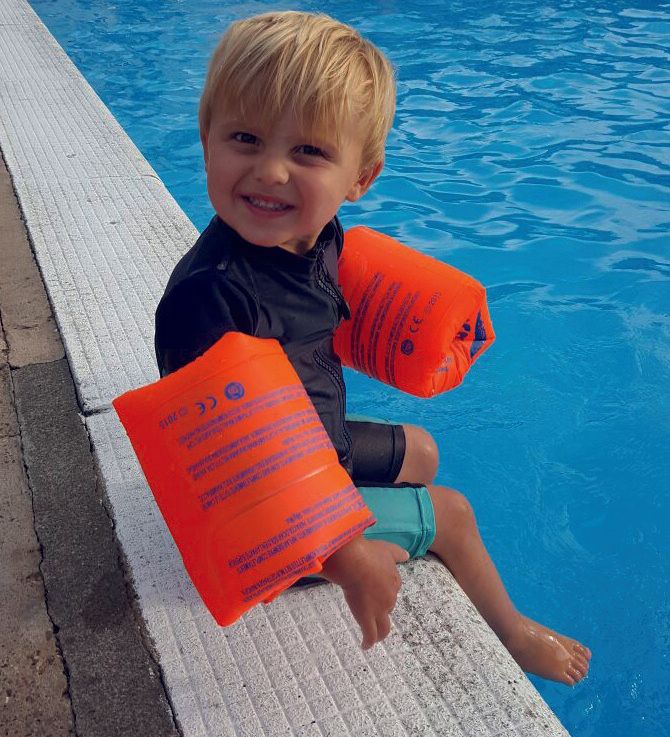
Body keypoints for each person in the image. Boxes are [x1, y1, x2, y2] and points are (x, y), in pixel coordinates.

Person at [154, 10, 591, 686]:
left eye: (308, 153)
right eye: (245, 138)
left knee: (423, 448)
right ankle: (514, 631)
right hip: (269, 518)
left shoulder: (318, 239)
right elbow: (232, 478)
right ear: (205, 138)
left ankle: (397, 518)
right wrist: (345, 555)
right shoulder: (208, 300)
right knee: (454, 513)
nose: (270, 171)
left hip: (307, 439)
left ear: (360, 179)